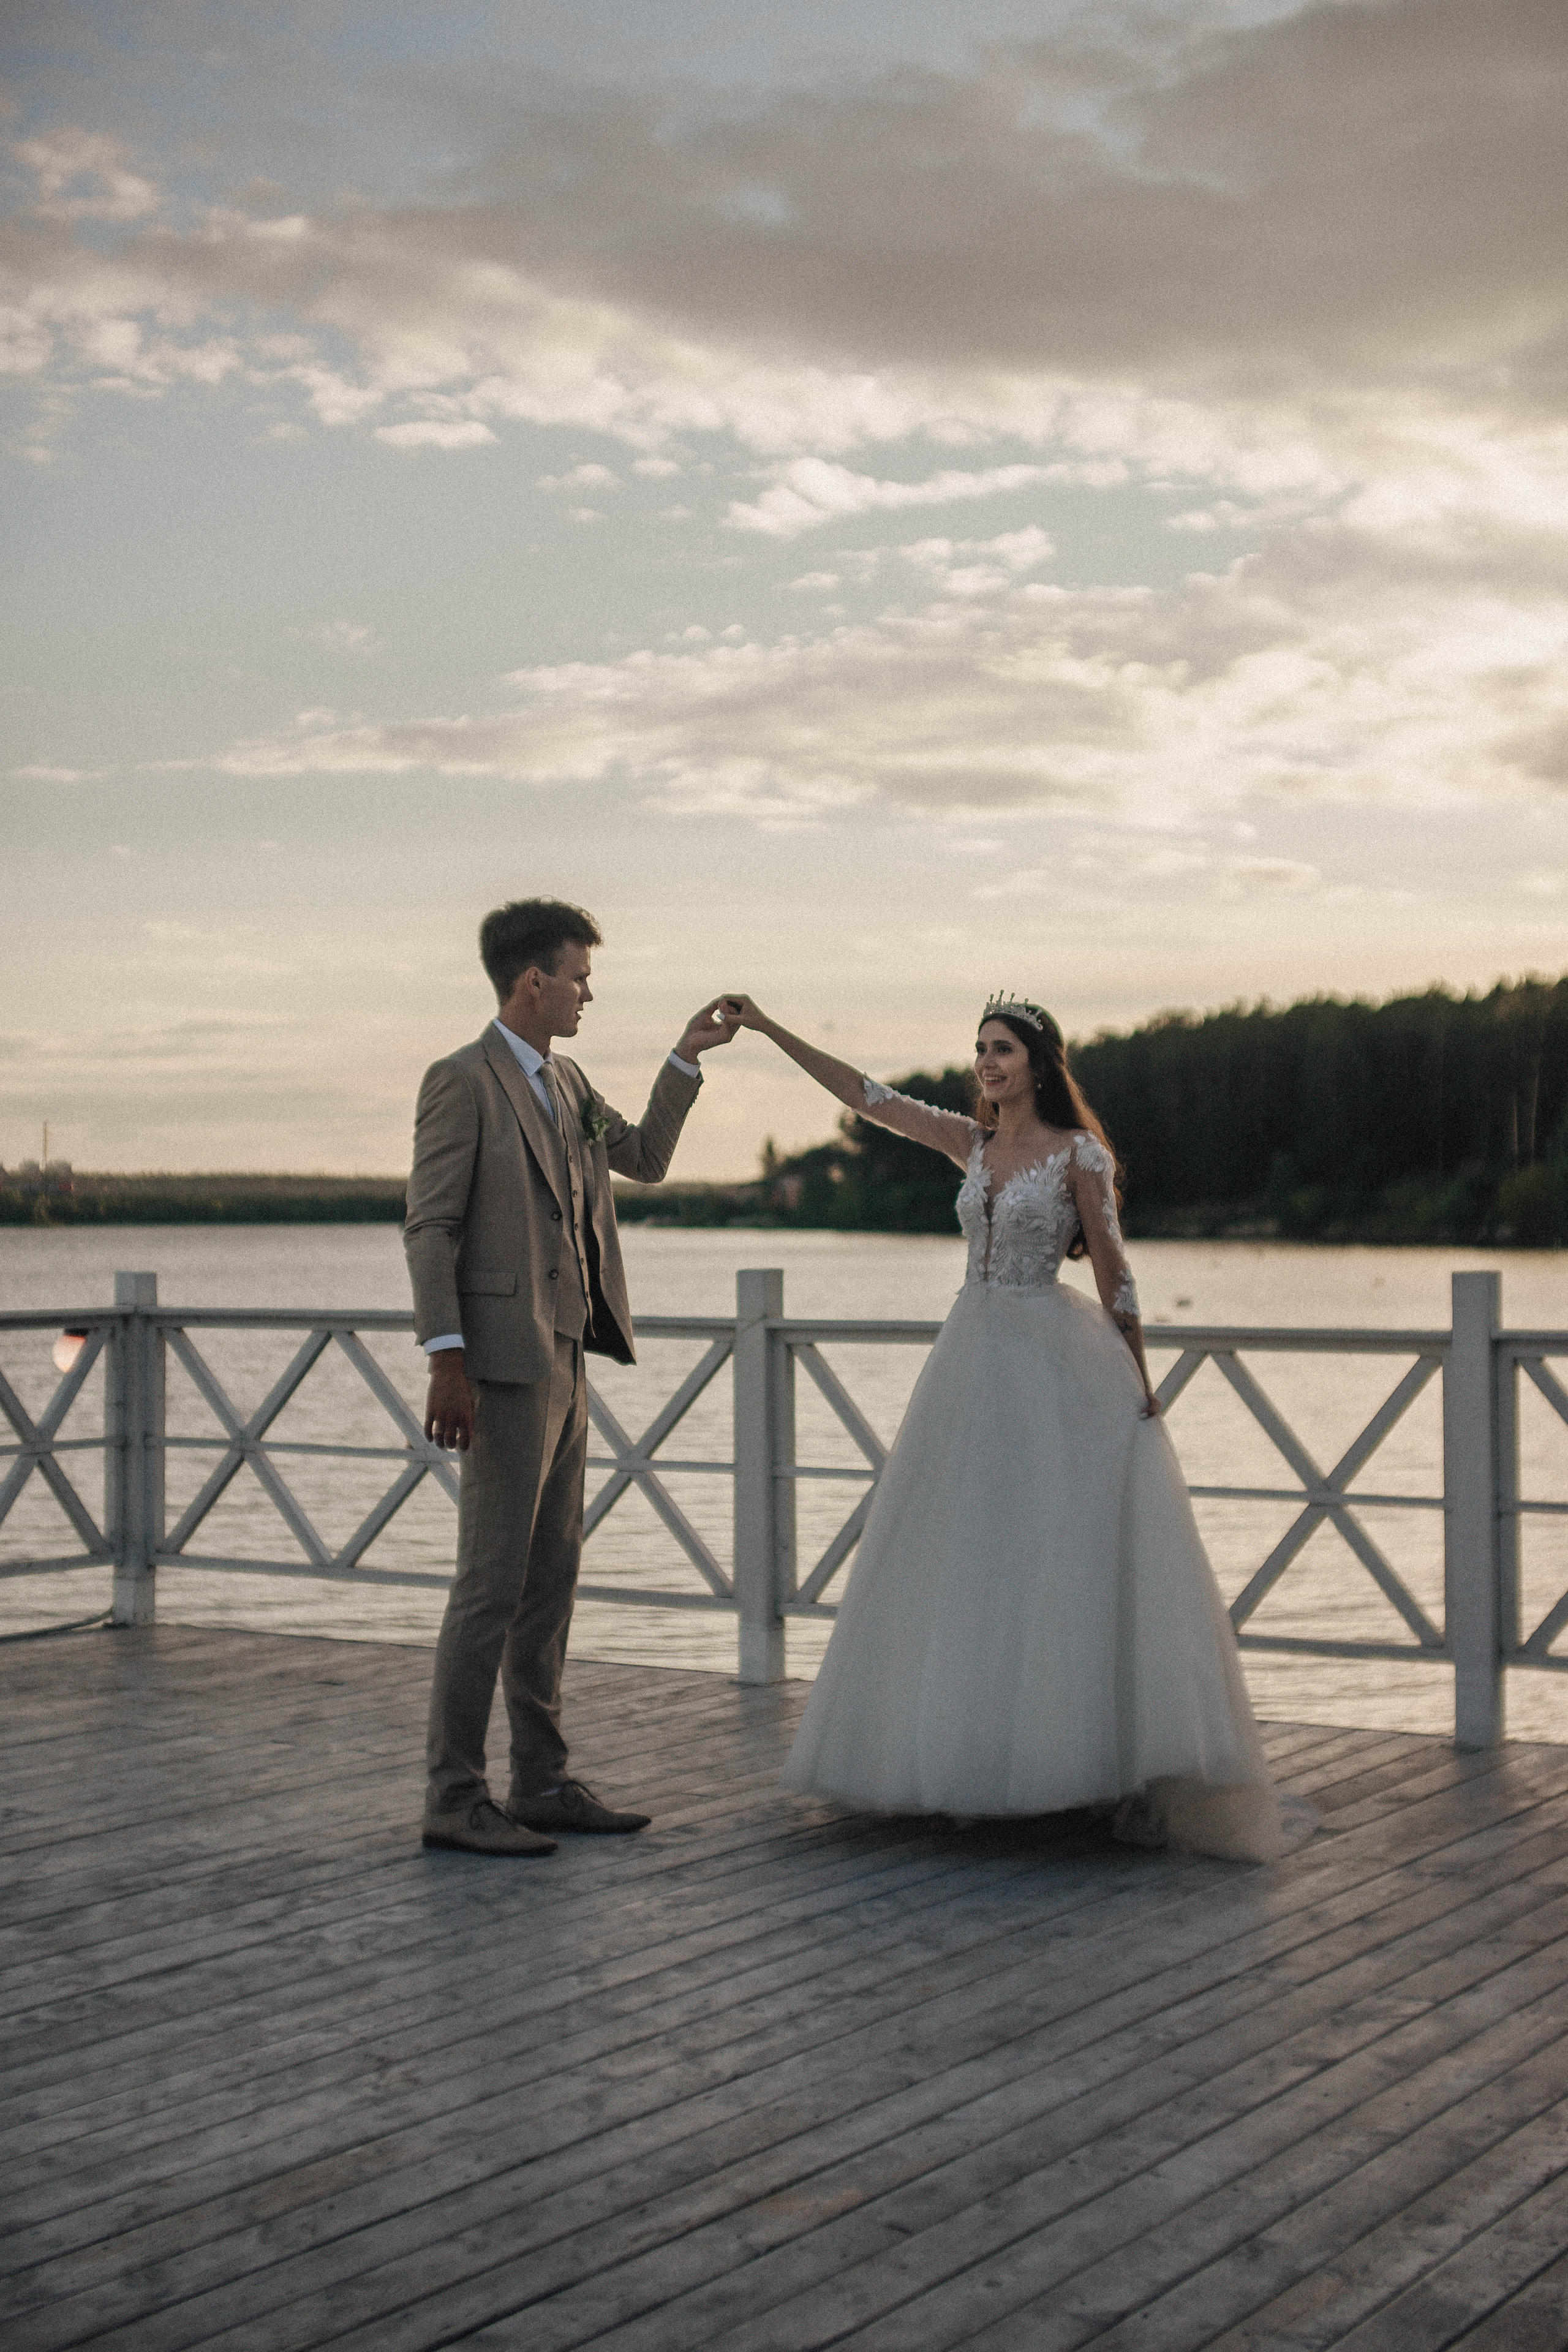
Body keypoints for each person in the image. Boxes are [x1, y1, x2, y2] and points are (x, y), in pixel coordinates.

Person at [724, 990, 1286, 1862]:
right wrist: (768, 1027)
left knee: (1047, 1563)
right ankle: (962, 1760)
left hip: (1053, 1363)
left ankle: (1063, 1769)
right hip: (971, 1355)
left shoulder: (1079, 1156)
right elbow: (866, 1098)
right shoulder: (972, 1143)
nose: (988, 1063)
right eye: (981, 1049)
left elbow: (1116, 1272)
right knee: (964, 1557)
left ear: (1039, 1064)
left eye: (1004, 1051)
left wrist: (1141, 1380)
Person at [407, 898, 739, 1857]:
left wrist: (687, 1057)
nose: (590, 991)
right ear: (531, 981)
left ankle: (542, 1781)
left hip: (567, 1357)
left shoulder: (571, 1079)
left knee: (550, 1581)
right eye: (580, 976)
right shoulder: (460, 1082)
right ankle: (452, 1796)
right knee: (489, 1585)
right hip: (500, 1367)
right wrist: (447, 1359)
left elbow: (645, 1161)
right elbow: (430, 1228)